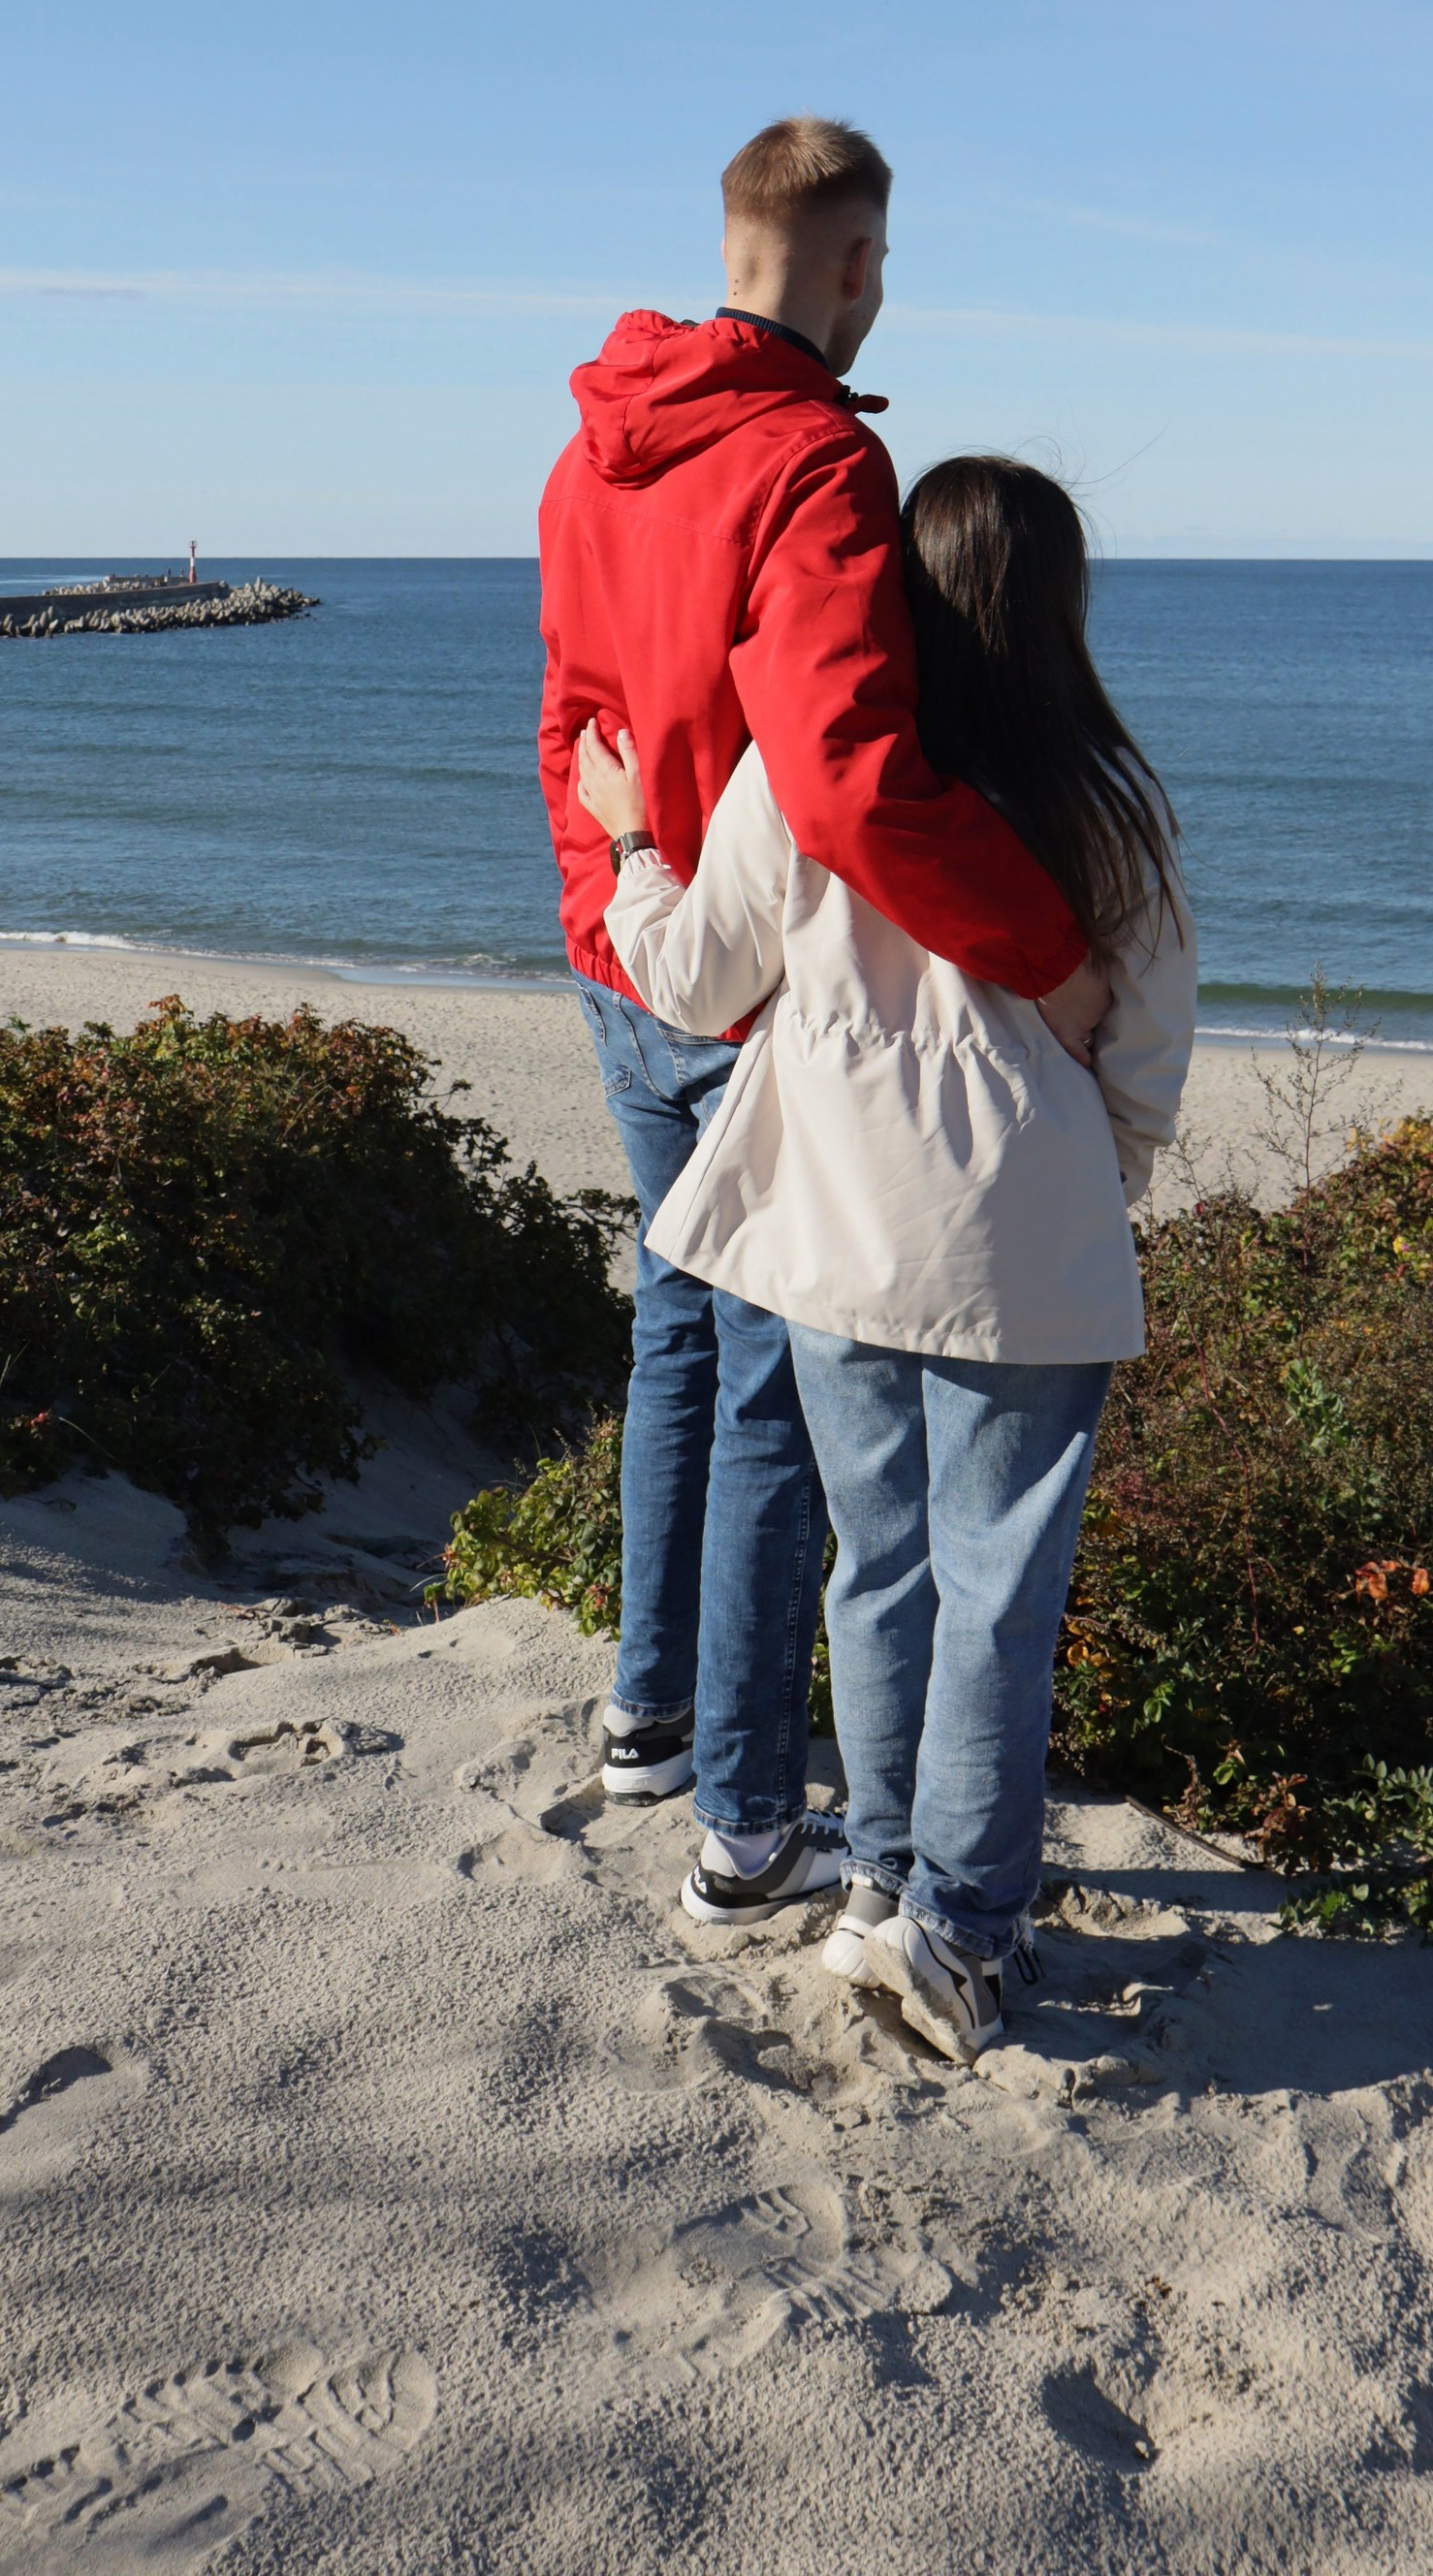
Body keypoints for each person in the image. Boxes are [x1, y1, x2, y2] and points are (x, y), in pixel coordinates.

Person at [536, 122, 1109, 1929]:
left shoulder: (588, 455)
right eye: (882, 269)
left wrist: (611, 882)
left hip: (629, 950)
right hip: (752, 987)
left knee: (676, 1351)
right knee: (783, 1410)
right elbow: (851, 779)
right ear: (855, 266)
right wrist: (1044, 950)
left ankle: (652, 1718)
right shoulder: (811, 466)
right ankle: (742, 1816)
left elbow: (571, 718)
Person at [574, 455, 1193, 2059]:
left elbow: (693, 984)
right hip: (1023, 1252)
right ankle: (963, 1936)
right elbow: (1151, 1060)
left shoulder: (815, 775)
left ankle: (889, 1883)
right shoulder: (1108, 800)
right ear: (1060, 605)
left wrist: (633, 837)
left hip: (837, 1237)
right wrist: (1080, 1177)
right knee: (997, 1588)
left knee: (884, 1565)